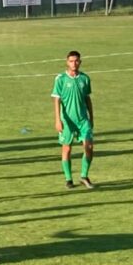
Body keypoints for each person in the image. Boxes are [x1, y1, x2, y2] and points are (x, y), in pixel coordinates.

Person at [52, 50, 94, 189]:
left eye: (76, 61)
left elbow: (87, 98)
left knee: (89, 147)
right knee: (67, 148)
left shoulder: (85, 79)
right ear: (67, 62)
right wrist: (58, 120)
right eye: (71, 61)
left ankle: (84, 176)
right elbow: (56, 100)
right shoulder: (61, 79)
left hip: (83, 120)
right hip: (67, 120)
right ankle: (68, 179)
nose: (74, 63)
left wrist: (91, 117)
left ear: (80, 62)